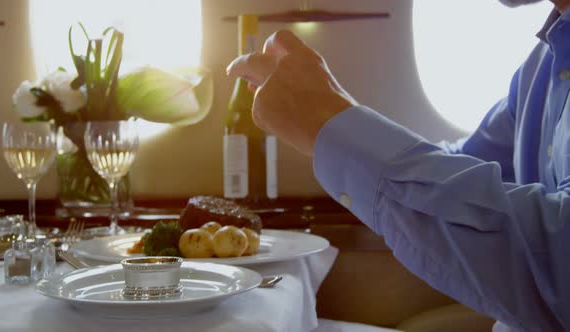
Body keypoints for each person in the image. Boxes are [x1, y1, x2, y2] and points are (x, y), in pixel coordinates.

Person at [227, 0, 570, 331]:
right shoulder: (541, 64)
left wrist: (337, 130)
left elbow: (560, 260)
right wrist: (338, 118)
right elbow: (459, 166)